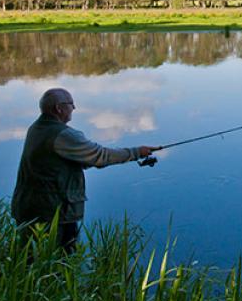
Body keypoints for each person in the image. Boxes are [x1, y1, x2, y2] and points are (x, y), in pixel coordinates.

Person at [11, 87, 158, 253]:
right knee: (59, 261)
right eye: (71, 104)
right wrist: (136, 152)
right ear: (59, 108)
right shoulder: (63, 135)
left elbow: (64, 161)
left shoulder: (37, 128)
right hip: (53, 212)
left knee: (30, 258)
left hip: (29, 207)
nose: (74, 108)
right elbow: (101, 156)